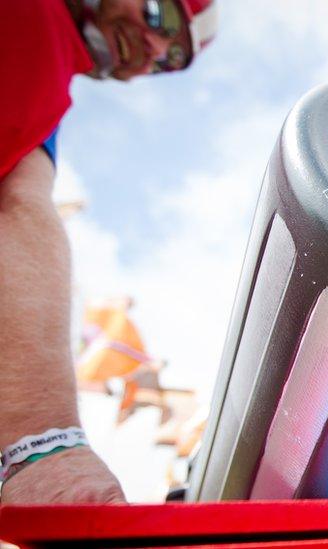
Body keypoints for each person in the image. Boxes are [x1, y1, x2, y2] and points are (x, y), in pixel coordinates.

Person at [0, 0, 216, 504]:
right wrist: (42, 447)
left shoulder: (47, 108)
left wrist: (41, 448)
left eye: (172, 59)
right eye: (160, 14)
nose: (155, 49)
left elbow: (20, 209)